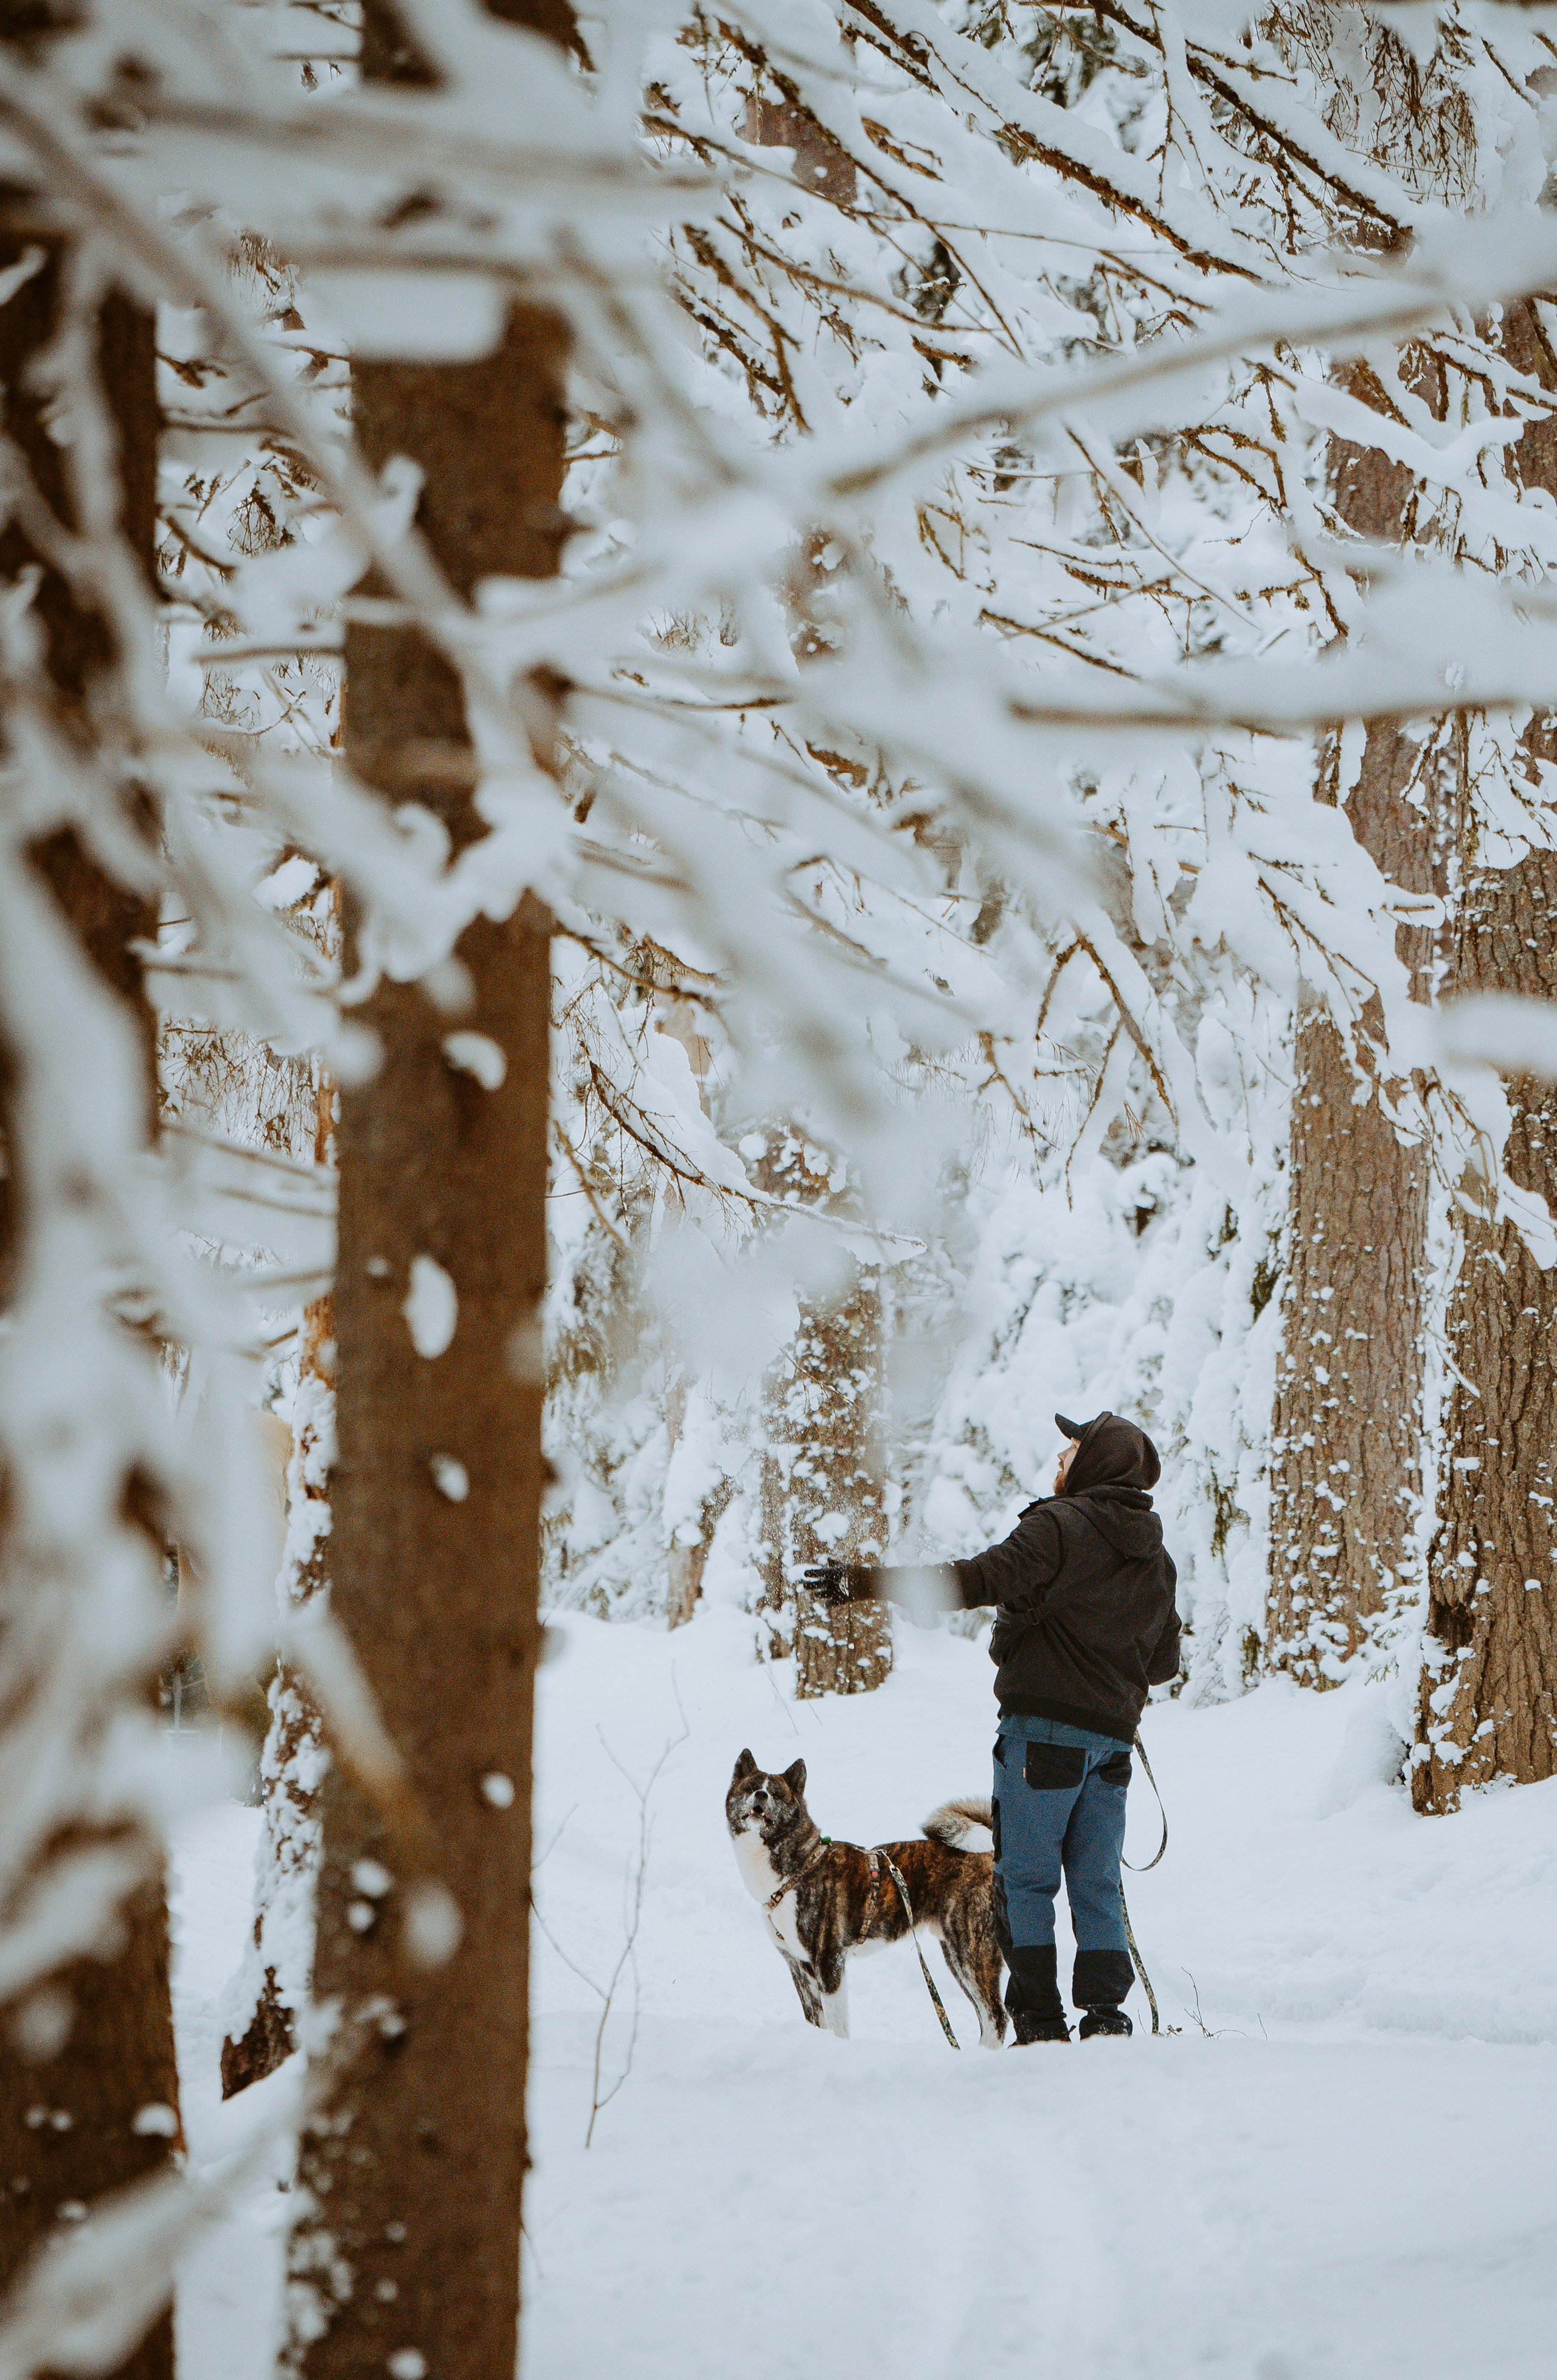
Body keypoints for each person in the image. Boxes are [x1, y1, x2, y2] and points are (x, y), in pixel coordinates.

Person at [803, 1408, 1180, 2044]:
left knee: (1025, 1880)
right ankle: (1106, 2020)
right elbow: (1164, 1663)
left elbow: (973, 1581)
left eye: (1071, 1449)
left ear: (1096, 1461)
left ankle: (1040, 2023)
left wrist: (867, 1581)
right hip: (1112, 1746)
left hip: (1043, 1738)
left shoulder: (1058, 1525)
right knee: (1096, 1882)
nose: (1059, 1458)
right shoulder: (1156, 1557)